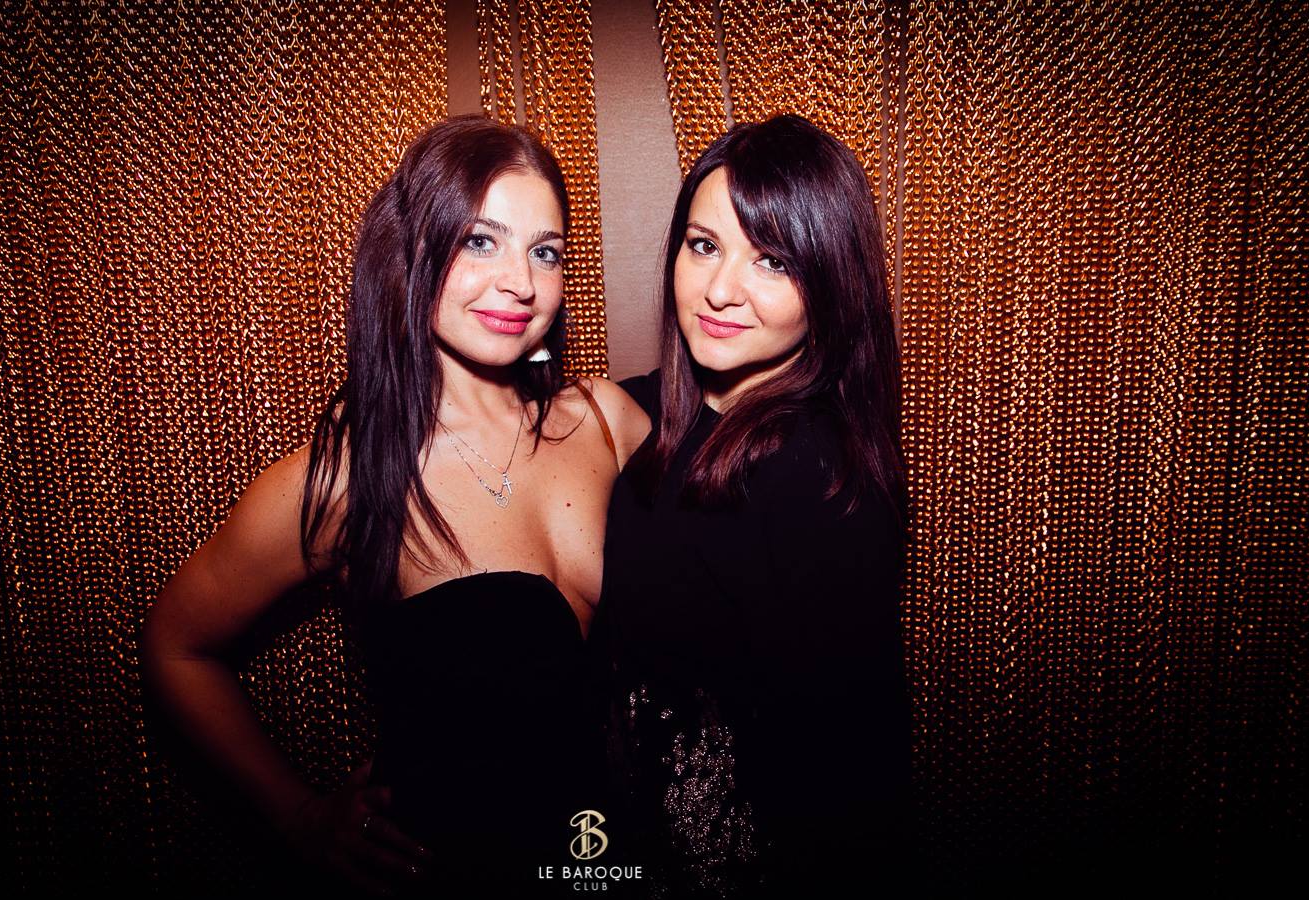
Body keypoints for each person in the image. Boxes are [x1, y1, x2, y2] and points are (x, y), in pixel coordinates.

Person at [142, 115, 649, 896]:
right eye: (480, 241)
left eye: (544, 252)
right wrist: (298, 817)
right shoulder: (349, 479)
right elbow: (176, 646)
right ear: (411, 254)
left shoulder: (608, 423)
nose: (520, 281)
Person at [594, 114, 911, 896]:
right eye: (704, 245)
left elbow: (845, 779)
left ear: (830, 283)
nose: (720, 289)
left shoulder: (819, 477)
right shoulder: (645, 415)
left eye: (772, 260)